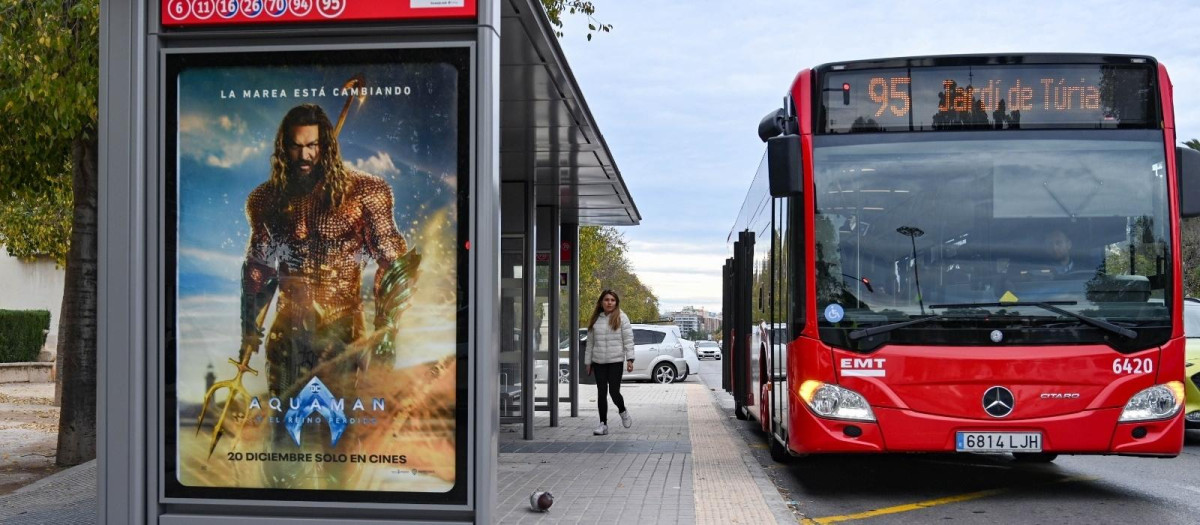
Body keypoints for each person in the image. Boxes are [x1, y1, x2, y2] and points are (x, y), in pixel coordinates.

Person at [203, 103, 419, 487]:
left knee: (342, 439)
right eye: (296, 146)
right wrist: (247, 329)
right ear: (283, 147)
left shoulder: (365, 193)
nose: (304, 155)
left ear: (326, 147)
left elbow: (395, 264)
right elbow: (258, 271)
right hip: (289, 333)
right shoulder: (267, 200)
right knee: (285, 440)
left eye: (313, 146)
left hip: (343, 334)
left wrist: (387, 333)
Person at [584, 290, 635, 436]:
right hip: (599, 361)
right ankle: (603, 424)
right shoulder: (595, 319)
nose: (609, 302)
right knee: (601, 392)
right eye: (606, 300)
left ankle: (622, 410)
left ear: (616, 302)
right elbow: (590, 343)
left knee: (614, 392)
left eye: (612, 300)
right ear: (601, 302)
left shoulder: (621, 318)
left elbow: (628, 340)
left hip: (615, 361)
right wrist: (588, 362)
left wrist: (630, 359)